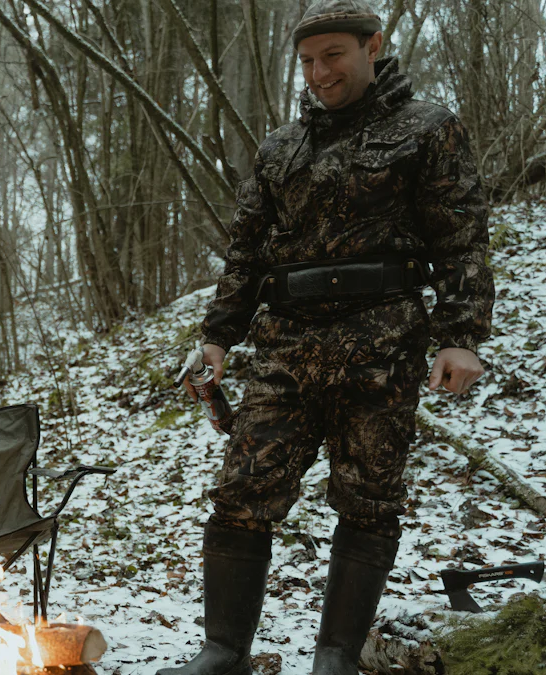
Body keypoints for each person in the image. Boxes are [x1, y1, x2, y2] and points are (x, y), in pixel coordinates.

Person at [159, 2, 494, 674]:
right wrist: (218, 337)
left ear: (374, 45)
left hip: (383, 344)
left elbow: (461, 235)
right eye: (308, 61)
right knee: (242, 492)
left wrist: (461, 336)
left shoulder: (427, 128)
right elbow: (246, 249)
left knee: (369, 501)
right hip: (286, 346)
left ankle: (335, 657)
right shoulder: (282, 147)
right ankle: (223, 650)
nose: (318, 73)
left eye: (333, 55)